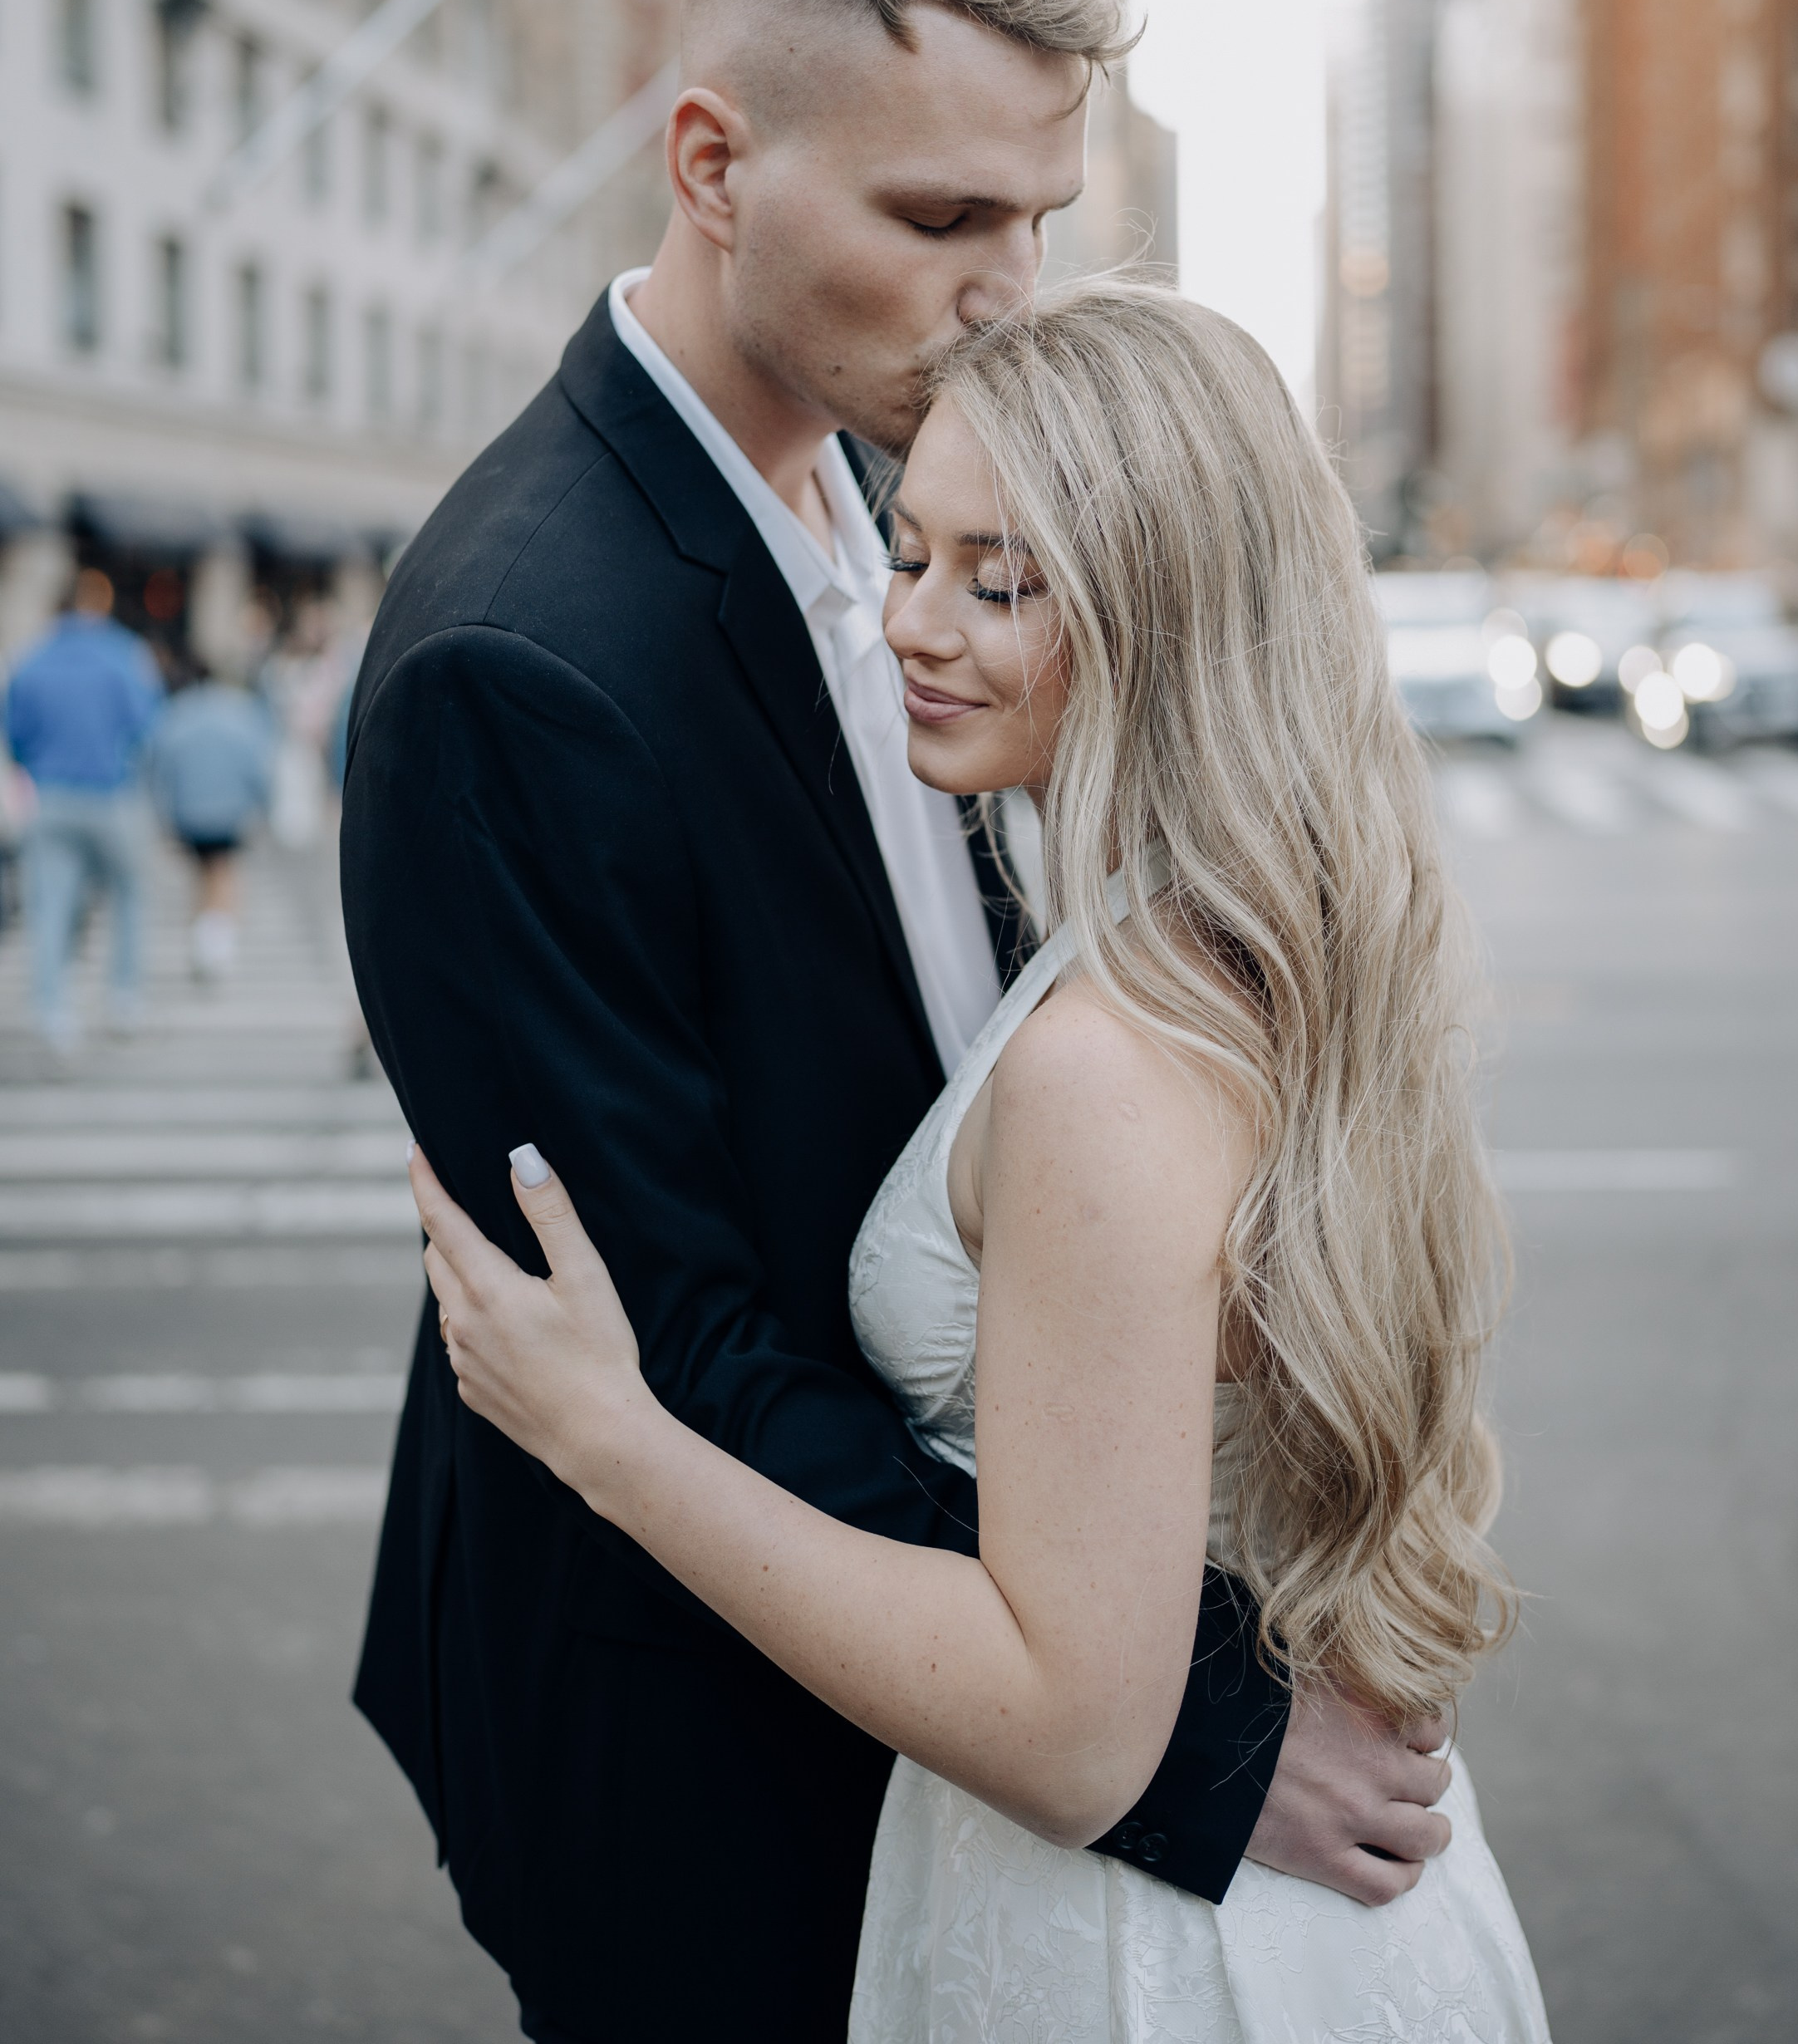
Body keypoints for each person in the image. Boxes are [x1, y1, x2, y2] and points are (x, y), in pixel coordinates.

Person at [341, 0, 1460, 2044]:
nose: (1005, 293)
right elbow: (655, 1335)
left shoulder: (916, 491)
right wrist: (1181, 1732)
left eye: (1039, 221)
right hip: (711, 1740)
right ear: (711, 160)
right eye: (943, 218)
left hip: (1017, 1649)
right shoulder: (520, 658)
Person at [412, 281, 1548, 2040]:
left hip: (1151, 1952)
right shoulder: (1257, 944)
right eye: (909, 553)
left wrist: (612, 1442)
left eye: (997, 581)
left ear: (1170, 615)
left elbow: (1073, 1729)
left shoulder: (1114, 1055)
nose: (909, 626)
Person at [4, 567, 162, 1053]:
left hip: (50, 796)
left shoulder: (31, 659)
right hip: (111, 793)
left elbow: (14, 735)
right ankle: (122, 999)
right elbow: (146, 725)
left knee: (51, 907)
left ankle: (55, 1015)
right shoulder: (124, 656)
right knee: (128, 895)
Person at [147, 668, 275, 978]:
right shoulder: (243, 714)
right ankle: (218, 946)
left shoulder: (177, 713)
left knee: (201, 875)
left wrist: (164, 813)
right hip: (230, 810)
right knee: (224, 874)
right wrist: (264, 808)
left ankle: (202, 938)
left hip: (189, 812)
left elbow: (160, 764)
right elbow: (259, 766)